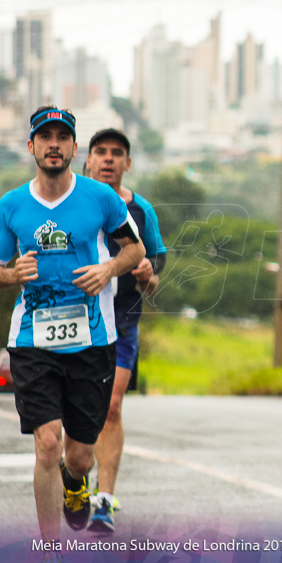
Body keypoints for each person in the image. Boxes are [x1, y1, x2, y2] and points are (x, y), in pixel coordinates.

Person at [0, 107, 144, 544]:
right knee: (47, 442)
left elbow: (134, 251)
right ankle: (50, 547)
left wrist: (107, 271)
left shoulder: (101, 198)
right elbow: (0, 268)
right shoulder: (10, 205)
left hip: (92, 339)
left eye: (63, 137)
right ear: (31, 147)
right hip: (33, 338)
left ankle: (77, 481)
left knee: (78, 455)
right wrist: (11, 275)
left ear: (73, 148)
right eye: (45, 137)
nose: (54, 145)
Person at [84, 128, 166, 533]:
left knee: (111, 407)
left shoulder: (141, 211)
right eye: (100, 152)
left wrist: (149, 275)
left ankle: (103, 500)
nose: (109, 159)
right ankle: (75, 474)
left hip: (122, 321)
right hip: (77, 320)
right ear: (87, 160)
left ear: (128, 163)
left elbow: (155, 271)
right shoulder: (72, 203)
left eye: (117, 153)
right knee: (76, 410)